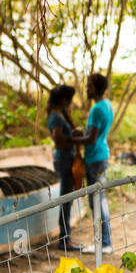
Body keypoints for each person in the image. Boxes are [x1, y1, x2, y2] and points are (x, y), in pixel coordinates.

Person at [46, 84, 84, 252]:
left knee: (67, 200)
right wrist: (78, 139)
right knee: (66, 201)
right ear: (63, 99)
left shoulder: (60, 115)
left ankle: (66, 237)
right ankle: (64, 239)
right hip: (64, 160)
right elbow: (59, 141)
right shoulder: (56, 117)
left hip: (65, 158)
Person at [83, 72, 115, 253]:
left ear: (94, 88)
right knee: (100, 200)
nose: (86, 89)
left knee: (96, 201)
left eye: (88, 86)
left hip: (94, 159)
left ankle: (103, 243)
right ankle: (105, 241)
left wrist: (72, 139)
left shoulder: (96, 109)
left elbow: (91, 139)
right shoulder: (107, 105)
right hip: (102, 156)